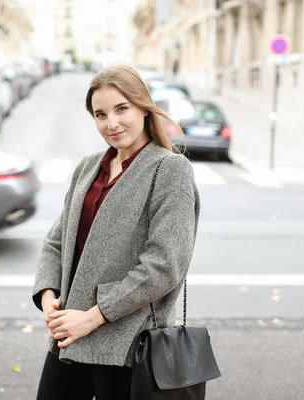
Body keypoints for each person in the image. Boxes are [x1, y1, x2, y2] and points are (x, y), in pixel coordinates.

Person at [32, 65, 200, 400]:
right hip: (69, 334)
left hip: (126, 343)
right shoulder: (87, 167)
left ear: (143, 107)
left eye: (122, 109)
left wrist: (93, 318)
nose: (112, 123)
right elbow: (56, 242)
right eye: (100, 114)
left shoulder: (169, 170)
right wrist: (49, 298)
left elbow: (165, 265)